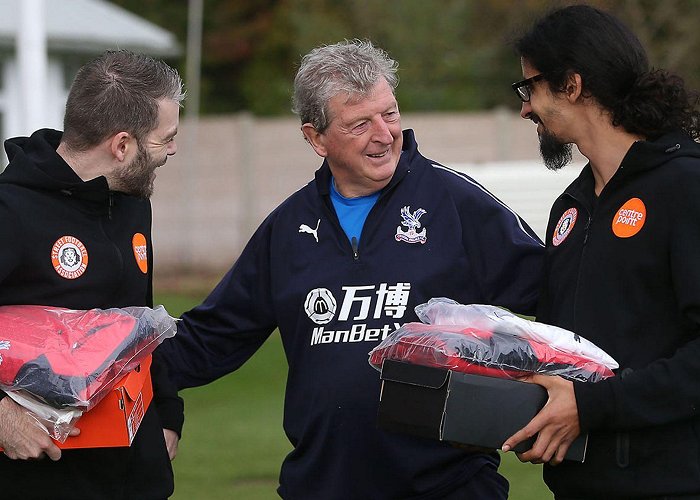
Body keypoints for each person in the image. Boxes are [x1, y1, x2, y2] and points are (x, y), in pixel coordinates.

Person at [157, 39, 543, 499]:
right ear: (315, 138)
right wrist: (124, 375)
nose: (384, 134)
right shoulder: (288, 228)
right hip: (323, 486)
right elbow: (211, 337)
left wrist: (589, 393)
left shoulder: (457, 204)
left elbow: (558, 295)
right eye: (360, 123)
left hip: (449, 486)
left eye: (391, 114)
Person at [501, 4, 700, 499]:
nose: (525, 107)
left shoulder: (686, 188)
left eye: (530, 87)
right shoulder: (569, 208)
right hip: (579, 485)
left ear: (571, 84)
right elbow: (569, 353)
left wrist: (592, 406)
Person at [0, 50, 185, 499]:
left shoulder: (133, 204)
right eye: (165, 138)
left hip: (136, 474)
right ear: (122, 145)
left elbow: (139, 321)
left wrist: (166, 413)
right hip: (42, 479)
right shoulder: (10, 212)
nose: (173, 150)